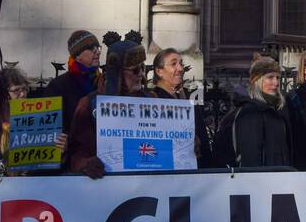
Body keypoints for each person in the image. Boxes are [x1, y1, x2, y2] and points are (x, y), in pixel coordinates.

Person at [67, 41, 147, 178]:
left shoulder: (152, 100)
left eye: (143, 68)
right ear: (118, 73)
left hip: (148, 183)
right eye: (135, 70)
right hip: (107, 187)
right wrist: (85, 164)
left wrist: (188, 145)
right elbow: (76, 152)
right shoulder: (90, 104)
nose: (141, 74)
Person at [0, 67, 67, 174]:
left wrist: (60, 149)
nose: (22, 94)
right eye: (16, 90)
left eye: (24, 89)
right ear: (2, 93)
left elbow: (45, 161)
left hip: (29, 181)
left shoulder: (37, 115)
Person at [147, 47, 211, 166]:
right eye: (173, 64)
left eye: (181, 64)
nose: (181, 69)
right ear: (159, 71)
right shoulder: (153, 101)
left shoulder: (188, 99)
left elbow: (203, 140)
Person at [231, 56, 293, 168]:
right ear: (257, 80)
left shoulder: (277, 109)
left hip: (280, 177)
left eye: (277, 78)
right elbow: (250, 156)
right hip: (262, 180)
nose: (276, 83)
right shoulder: (251, 111)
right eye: (270, 77)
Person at [46, 29, 103, 140]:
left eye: (98, 47)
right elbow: (52, 126)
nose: (98, 52)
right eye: (91, 48)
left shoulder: (103, 82)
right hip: (73, 152)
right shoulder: (58, 86)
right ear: (77, 56)